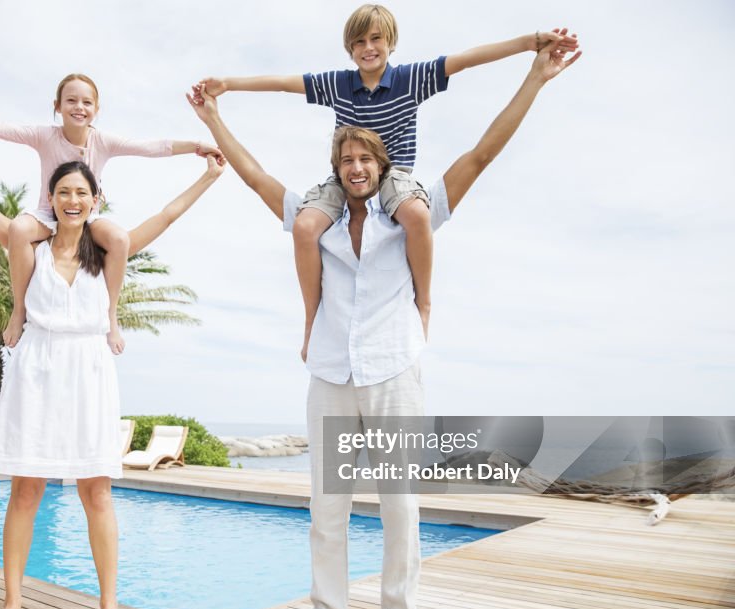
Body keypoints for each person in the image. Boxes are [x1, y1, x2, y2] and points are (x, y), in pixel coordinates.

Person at [188, 42, 579, 609]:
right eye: (345, 158)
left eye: (365, 156)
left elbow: (481, 153)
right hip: (330, 376)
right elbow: (257, 176)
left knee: (399, 506)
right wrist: (214, 121)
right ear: (336, 169)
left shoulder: (410, 215)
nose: (355, 166)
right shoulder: (321, 221)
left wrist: (535, 76)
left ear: (382, 163)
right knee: (327, 510)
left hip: (393, 369)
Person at [0, 105, 225, 609]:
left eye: (82, 193)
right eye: (64, 193)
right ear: (51, 200)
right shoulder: (27, 249)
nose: (73, 200)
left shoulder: (107, 254)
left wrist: (208, 175)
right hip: (35, 367)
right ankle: (11, 605)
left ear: (94, 200)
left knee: (97, 493)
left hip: (90, 371)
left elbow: (167, 216)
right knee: (25, 492)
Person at [198, 4, 578, 361]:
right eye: (359, 42)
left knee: (416, 214)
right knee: (303, 226)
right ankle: (312, 321)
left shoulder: (411, 79)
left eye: (376, 39)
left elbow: (466, 60)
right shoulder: (338, 84)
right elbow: (282, 83)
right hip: (342, 177)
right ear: (349, 49)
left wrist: (528, 43)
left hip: (394, 173)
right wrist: (229, 84)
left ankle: (423, 303)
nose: (368, 48)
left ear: (390, 42)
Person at [0, 74, 223, 355]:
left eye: (87, 102)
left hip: (90, 220)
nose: (79, 107)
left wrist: (197, 148)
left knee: (118, 238)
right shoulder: (44, 136)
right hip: (44, 216)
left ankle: (111, 315)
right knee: (19, 230)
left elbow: (153, 150)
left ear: (97, 109)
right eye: (71, 101)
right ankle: (19, 309)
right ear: (57, 107)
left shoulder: (103, 142)